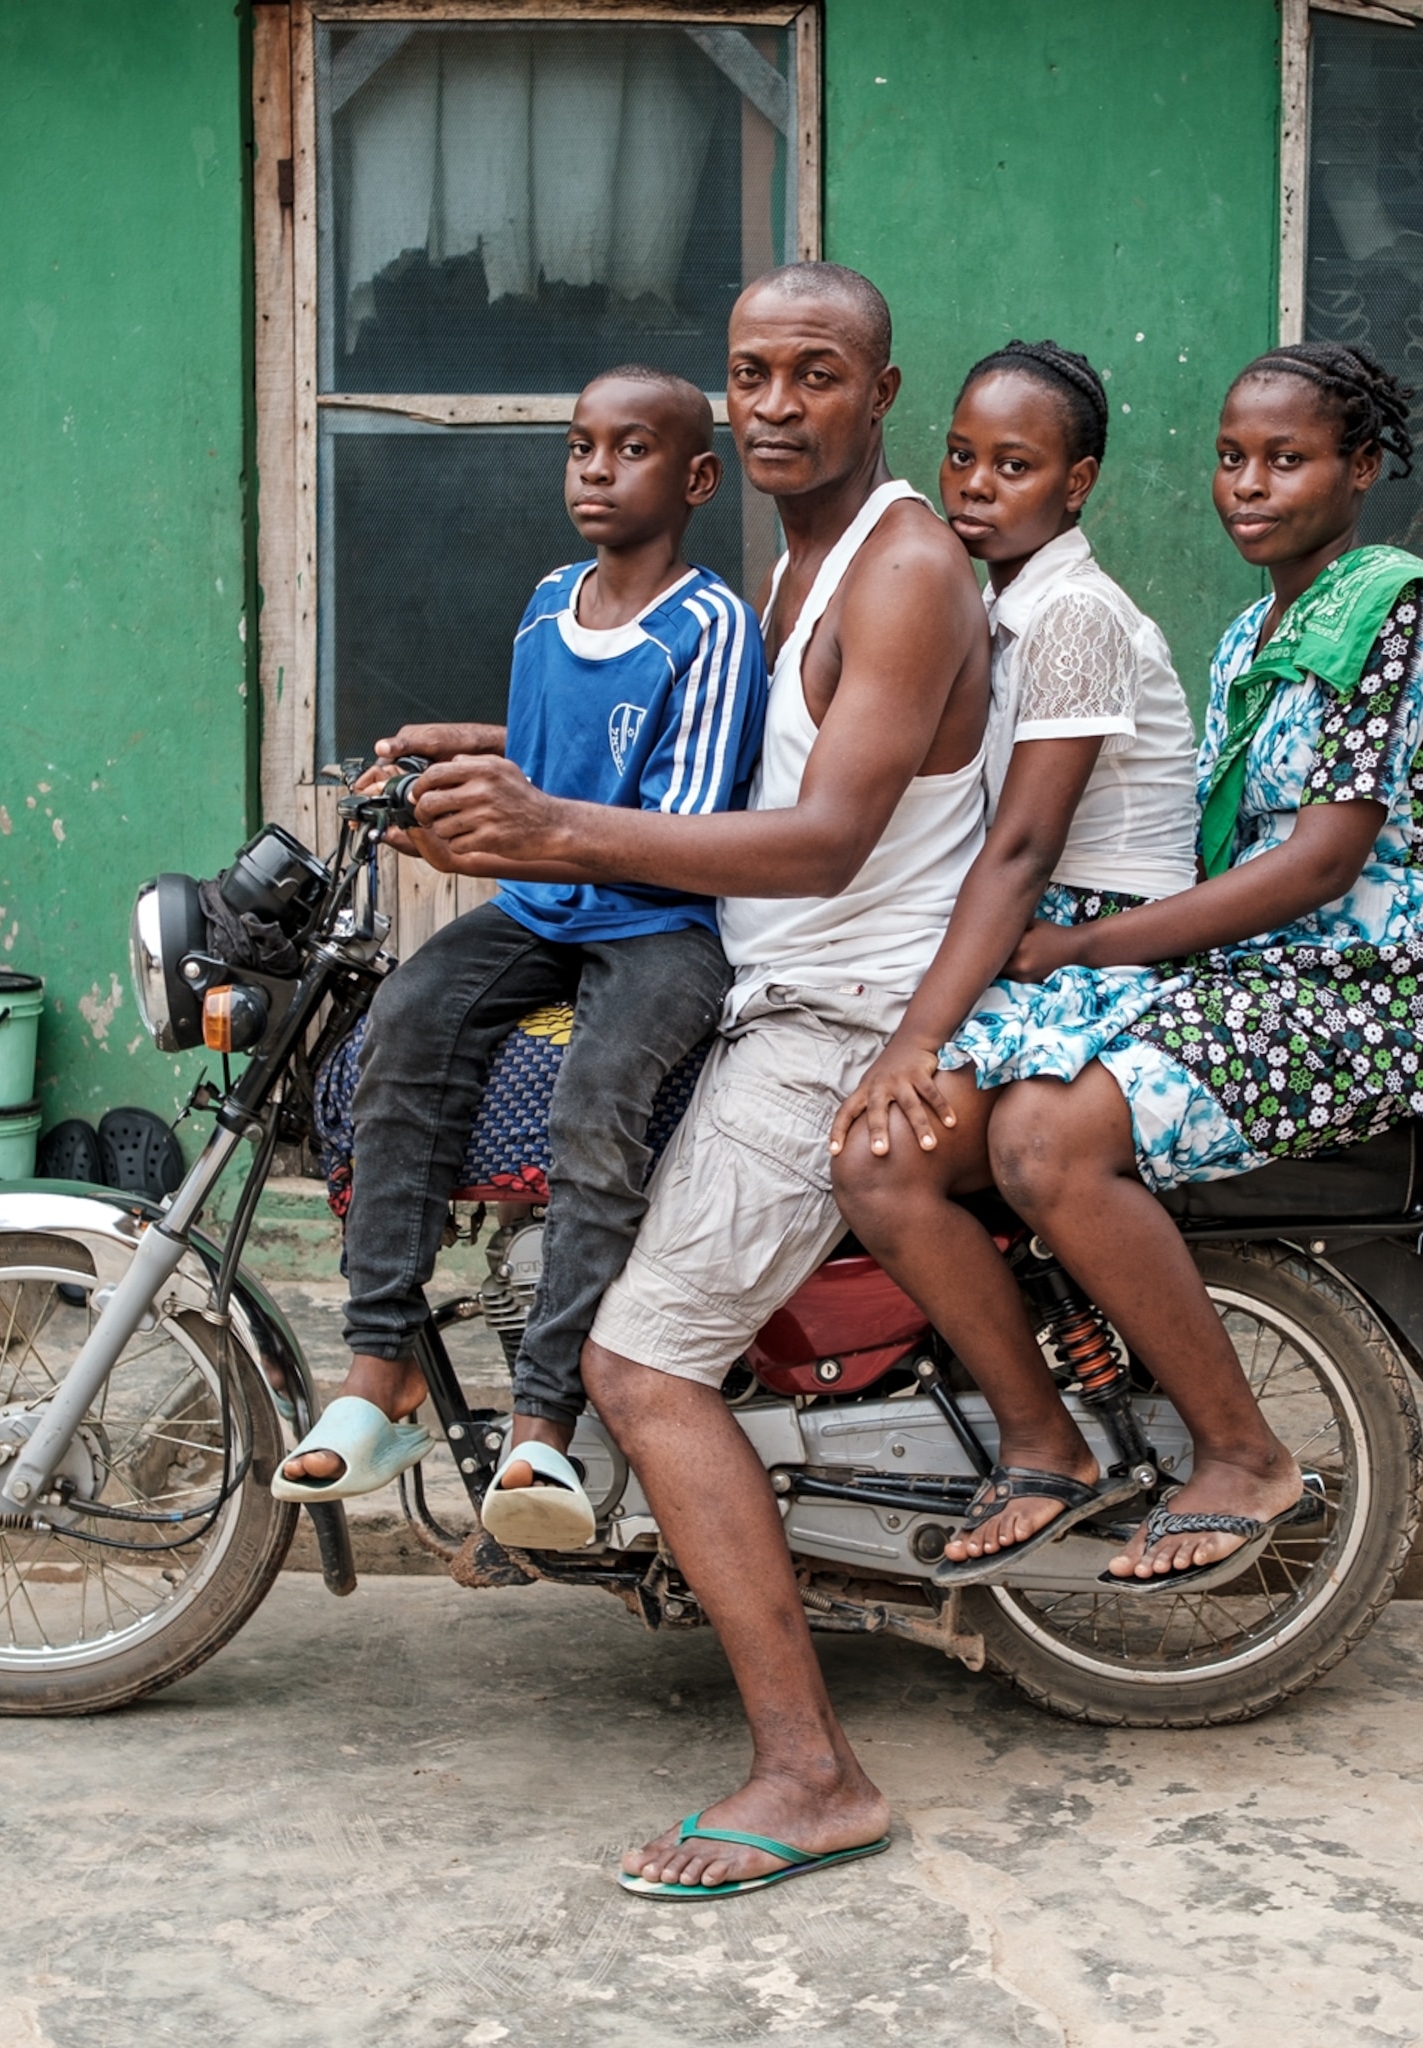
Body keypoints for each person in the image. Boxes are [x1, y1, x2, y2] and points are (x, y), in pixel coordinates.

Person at [397, 262, 995, 1900]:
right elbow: (705, 767)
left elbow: (824, 839)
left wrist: (555, 831)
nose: (782, 400)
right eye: (755, 372)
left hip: (830, 1020)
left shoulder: (903, 570)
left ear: (881, 392)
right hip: (762, 983)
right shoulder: (786, 567)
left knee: (641, 1361)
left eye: (817, 372)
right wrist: (504, 768)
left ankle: (812, 1767)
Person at [850, 340, 1423, 1591]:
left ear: (1361, 470)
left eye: (1287, 459)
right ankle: (1044, 1440)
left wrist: (1084, 946)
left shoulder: (1392, 606)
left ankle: (1242, 1451)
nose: (1248, 485)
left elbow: (1318, 867)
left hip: (1361, 993)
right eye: (1231, 458)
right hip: (1247, 976)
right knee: (891, 1155)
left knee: (1043, 1141)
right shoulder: (1260, 624)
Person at [274, 365, 768, 1563]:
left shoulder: (711, 627)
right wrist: (462, 758)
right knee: (401, 1025)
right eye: (581, 446)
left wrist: (513, 816)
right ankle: (381, 1363)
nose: (597, 470)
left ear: (697, 478)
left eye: (632, 449)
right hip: (545, 908)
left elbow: (669, 824)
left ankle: (544, 1415)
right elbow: (555, 760)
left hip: (659, 922)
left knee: (601, 1102)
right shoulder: (550, 600)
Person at [824, 339, 1198, 1579]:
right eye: (963, 458)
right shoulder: (997, 604)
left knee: (881, 1162)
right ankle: (1016, 1422)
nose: (977, 486)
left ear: (1078, 480)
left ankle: (1053, 1440)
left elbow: (1028, 844)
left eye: (1017, 465)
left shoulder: (1077, 615)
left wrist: (918, 1036)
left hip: (1094, 955)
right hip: (1030, 945)